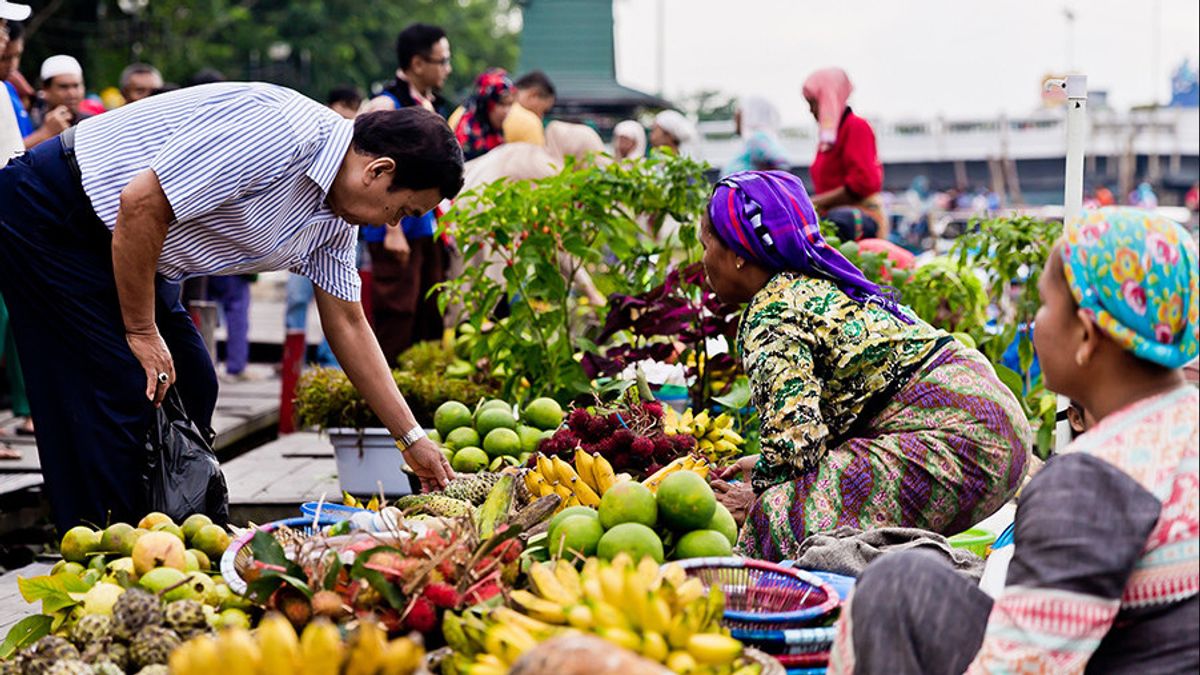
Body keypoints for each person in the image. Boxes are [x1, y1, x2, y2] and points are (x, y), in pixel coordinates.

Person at [0, 82, 463, 531]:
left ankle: (174, 536)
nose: (393, 223)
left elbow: (348, 322)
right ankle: (106, 557)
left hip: (135, 248)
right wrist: (141, 332)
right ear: (378, 171)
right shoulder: (284, 132)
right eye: (401, 210)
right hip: (58, 214)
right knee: (119, 390)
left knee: (193, 380)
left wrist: (411, 438)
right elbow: (142, 202)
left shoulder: (334, 219)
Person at [829, 208, 1199, 674]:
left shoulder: (1092, 481)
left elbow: (1021, 667)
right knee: (904, 580)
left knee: (890, 593)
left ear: (1085, 335)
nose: (1034, 325)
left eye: (1044, 306)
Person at [703, 171, 1030, 562]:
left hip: (960, 440)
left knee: (779, 519)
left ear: (738, 252)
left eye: (705, 245)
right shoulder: (817, 284)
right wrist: (762, 466)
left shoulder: (771, 311)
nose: (704, 261)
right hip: (990, 427)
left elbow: (795, 451)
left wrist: (756, 494)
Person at [802, 68, 887, 238]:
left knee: (839, 221)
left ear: (828, 98)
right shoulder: (827, 141)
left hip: (855, 219)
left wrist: (812, 203)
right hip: (832, 219)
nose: (811, 111)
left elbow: (861, 184)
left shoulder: (856, 127)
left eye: (813, 103)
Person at [364, 23, 452, 116]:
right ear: (417, 64)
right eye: (443, 62)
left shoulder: (432, 105)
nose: (448, 69)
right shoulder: (384, 109)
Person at [24, 54, 87, 148]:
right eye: (63, 87)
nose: (72, 94)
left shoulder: (91, 123)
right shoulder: (28, 120)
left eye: (76, 86)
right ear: (45, 89)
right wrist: (44, 133)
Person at [452, 68, 514, 161]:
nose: (506, 111)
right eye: (501, 104)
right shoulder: (469, 136)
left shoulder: (494, 130)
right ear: (486, 103)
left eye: (510, 104)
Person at [722, 96, 789, 175]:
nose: (735, 120)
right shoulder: (752, 140)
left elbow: (782, 162)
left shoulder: (757, 139)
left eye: (738, 116)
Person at [503, 70, 555, 145]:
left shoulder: (494, 112)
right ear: (533, 95)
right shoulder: (529, 122)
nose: (542, 117)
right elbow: (536, 156)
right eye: (544, 111)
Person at [1, 17, 31, 140]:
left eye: (17, 56)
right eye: (5, 58)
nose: (12, 65)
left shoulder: (10, 89)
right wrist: (45, 133)